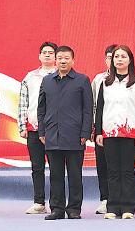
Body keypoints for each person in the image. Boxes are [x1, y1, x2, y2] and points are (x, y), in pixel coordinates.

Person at [36, 45, 92, 220]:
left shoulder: (82, 80)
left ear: (73, 60)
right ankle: (57, 208)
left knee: (75, 175)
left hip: (75, 135)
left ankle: (74, 208)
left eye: (66, 58)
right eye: (59, 58)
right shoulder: (47, 81)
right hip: (52, 134)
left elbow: (88, 109)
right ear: (55, 60)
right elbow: (41, 108)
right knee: (55, 175)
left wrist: (85, 132)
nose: (62, 61)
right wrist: (41, 131)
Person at [94, 45, 135, 220]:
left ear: (130, 60)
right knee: (112, 171)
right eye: (116, 56)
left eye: (123, 56)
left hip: (130, 133)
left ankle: (128, 207)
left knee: (127, 171)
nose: (119, 59)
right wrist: (98, 132)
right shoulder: (105, 82)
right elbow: (100, 108)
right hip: (109, 132)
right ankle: (112, 206)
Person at [18, 41, 57, 215]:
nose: (47, 55)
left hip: (55, 129)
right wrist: (22, 125)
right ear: (39, 56)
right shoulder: (30, 77)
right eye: (44, 52)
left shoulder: (61, 75)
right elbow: (23, 102)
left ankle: (56, 203)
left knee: (56, 167)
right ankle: (39, 202)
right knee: (37, 167)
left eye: (51, 52)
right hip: (34, 128)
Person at [92, 44, 115, 215]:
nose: (113, 60)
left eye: (117, 56)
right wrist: (94, 128)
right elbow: (93, 105)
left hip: (123, 130)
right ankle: (105, 199)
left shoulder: (133, 79)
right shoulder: (98, 79)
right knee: (102, 165)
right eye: (109, 57)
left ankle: (120, 199)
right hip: (102, 130)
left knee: (120, 167)